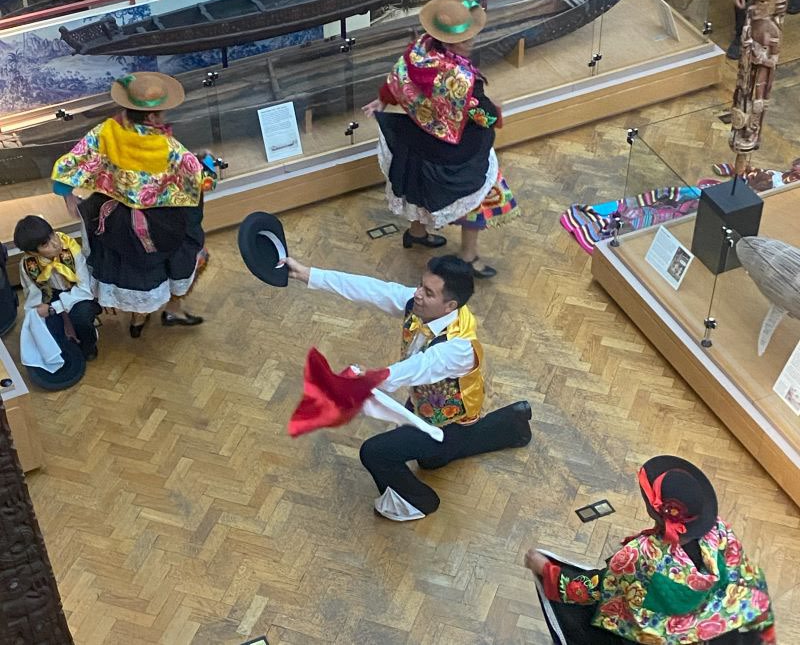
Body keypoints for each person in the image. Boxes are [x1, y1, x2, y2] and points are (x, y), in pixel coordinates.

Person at [283, 253, 532, 521]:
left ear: (450, 305)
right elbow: (374, 290)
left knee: (374, 452)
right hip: (425, 407)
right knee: (430, 460)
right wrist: (309, 274)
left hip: (446, 424)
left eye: (428, 292)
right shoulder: (423, 304)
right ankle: (512, 423)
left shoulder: (458, 348)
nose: (418, 295)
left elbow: (420, 367)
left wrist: (372, 378)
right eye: (420, 285)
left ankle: (421, 502)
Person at [524, 455, 776, 644]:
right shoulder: (720, 531)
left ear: (654, 510)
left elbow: (590, 589)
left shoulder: (640, 556)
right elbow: (744, 579)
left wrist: (545, 568)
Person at [363, 0, 519, 279]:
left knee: (416, 191)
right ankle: (469, 256)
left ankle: (417, 233)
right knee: (478, 195)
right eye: (466, 37)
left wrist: (382, 100)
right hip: (452, 153)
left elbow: (398, 78)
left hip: (416, 140)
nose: (472, 40)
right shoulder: (461, 79)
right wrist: (495, 111)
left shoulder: (419, 51)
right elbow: (485, 117)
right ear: (450, 42)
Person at [51, 72, 209, 338]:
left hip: (114, 222)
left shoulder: (107, 130)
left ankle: (137, 318)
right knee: (180, 259)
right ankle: (169, 308)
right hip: (159, 227)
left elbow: (71, 162)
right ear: (151, 117)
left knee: (128, 271)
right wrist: (207, 169)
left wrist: (67, 193)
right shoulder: (169, 148)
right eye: (162, 113)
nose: (164, 117)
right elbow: (195, 184)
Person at [15, 215, 101, 389]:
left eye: (52, 235)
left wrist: (55, 308)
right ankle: (66, 347)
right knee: (49, 329)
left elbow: (85, 289)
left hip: (80, 294)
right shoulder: (27, 264)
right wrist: (37, 316)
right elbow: (33, 295)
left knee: (81, 317)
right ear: (32, 252)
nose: (55, 243)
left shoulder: (71, 248)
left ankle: (88, 345)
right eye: (45, 244)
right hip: (50, 294)